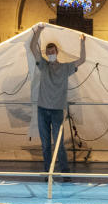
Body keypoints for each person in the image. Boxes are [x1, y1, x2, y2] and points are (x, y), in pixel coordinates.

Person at [29, 23, 86, 181]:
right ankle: (48, 173)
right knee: (45, 145)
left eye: (52, 52)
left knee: (59, 144)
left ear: (57, 52)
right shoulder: (44, 65)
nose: (51, 54)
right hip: (42, 110)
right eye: (48, 53)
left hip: (57, 111)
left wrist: (82, 42)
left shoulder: (66, 68)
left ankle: (65, 173)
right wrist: (39, 31)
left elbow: (82, 60)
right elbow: (32, 47)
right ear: (46, 54)